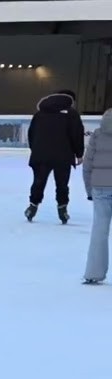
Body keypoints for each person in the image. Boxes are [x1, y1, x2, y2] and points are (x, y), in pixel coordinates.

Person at [25, 90, 86, 224]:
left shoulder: (40, 114)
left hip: (41, 155)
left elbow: (31, 134)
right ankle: (62, 209)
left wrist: (36, 149)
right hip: (63, 156)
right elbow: (77, 134)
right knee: (62, 184)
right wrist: (79, 153)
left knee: (39, 181)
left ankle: (32, 206)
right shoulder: (71, 114)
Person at [82, 109, 112, 284]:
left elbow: (87, 165)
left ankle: (94, 273)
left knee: (99, 231)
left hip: (100, 188)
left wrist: (89, 191)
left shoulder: (97, 135)